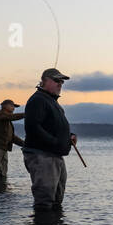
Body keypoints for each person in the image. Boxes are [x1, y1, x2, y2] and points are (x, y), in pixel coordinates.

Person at [22, 68, 76, 211]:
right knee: (44, 201)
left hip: (55, 155)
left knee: (57, 200)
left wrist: (69, 136)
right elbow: (33, 127)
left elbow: (54, 126)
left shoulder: (52, 102)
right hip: (42, 155)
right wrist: (56, 142)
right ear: (45, 81)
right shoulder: (38, 99)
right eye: (56, 80)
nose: (60, 84)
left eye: (62, 81)